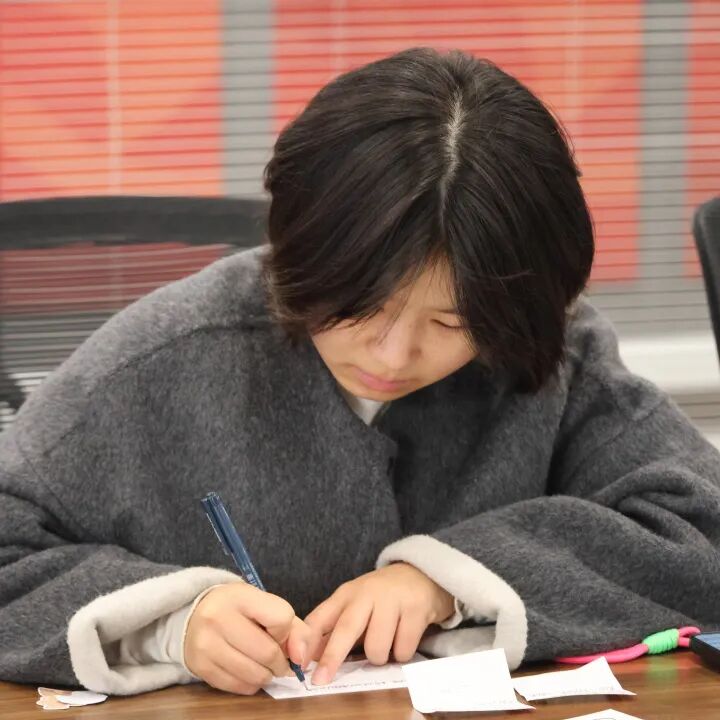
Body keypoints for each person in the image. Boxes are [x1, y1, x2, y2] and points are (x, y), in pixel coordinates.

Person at [1, 46, 719, 698]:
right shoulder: (161, 357)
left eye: (452, 323)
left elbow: (701, 526)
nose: (393, 356)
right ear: (297, 252)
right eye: (361, 307)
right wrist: (169, 621)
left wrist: (448, 580)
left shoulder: (546, 346)